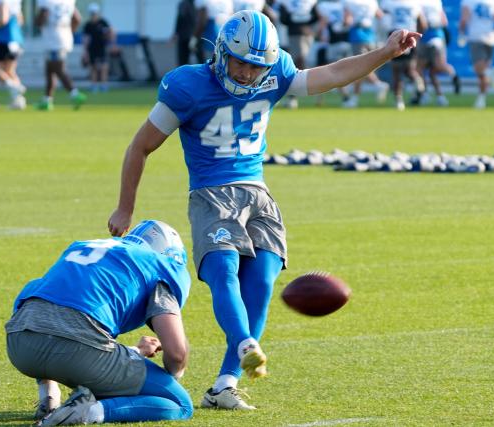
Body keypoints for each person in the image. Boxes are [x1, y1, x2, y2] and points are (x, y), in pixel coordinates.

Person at [107, 10, 420, 410]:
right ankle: (244, 343)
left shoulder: (275, 71)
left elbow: (332, 74)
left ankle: (225, 384)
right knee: (222, 270)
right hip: (212, 191)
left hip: (258, 191)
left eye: (256, 66)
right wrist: (124, 208)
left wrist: (384, 53)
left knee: (264, 277)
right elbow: (141, 146)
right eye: (239, 62)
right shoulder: (187, 85)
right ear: (221, 53)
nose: (246, 73)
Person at [5, 220, 193, 425]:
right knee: (180, 403)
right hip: (76, 352)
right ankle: (86, 412)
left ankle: (49, 399)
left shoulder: (84, 247)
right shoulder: (158, 264)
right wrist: (173, 375)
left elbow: (31, 300)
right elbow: (176, 353)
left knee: (51, 309)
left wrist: (135, 352)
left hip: (19, 345)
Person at [35, 0, 86, 111]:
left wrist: (37, 22)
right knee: (50, 69)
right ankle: (47, 100)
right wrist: (68, 31)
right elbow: (77, 19)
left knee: (58, 68)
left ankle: (75, 94)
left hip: (53, 39)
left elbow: (43, 16)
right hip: (63, 37)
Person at [459, 0, 494, 109]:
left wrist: (461, 33)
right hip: (491, 39)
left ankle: (489, 73)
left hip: (476, 38)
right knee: (482, 74)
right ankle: (481, 99)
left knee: (480, 71)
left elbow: (464, 20)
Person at [381, 0, 426, 111]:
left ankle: (398, 100)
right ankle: (417, 81)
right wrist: (417, 36)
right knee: (409, 68)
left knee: (396, 71)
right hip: (410, 34)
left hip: (395, 35)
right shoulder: (414, 4)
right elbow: (423, 24)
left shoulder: (388, 3)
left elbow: (383, 20)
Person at [343, 0, 388, 108]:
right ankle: (355, 98)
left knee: (360, 67)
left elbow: (347, 20)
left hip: (357, 36)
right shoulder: (372, 2)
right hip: (371, 36)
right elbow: (380, 16)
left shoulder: (349, 2)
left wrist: (345, 24)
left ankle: (378, 84)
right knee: (360, 69)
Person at [276, 0, 319, 109]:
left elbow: (284, 18)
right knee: (299, 63)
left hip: (298, 34)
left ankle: (293, 98)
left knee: (299, 64)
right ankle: (293, 97)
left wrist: (296, 19)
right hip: (300, 34)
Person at [416, 0, 459, 107]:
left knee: (420, 68)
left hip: (425, 35)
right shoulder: (436, 2)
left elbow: (421, 22)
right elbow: (444, 21)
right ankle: (440, 96)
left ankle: (424, 94)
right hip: (438, 35)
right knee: (432, 71)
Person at [0, 0, 26, 109]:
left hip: (4, 39)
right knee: (10, 71)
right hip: (16, 39)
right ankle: (19, 101)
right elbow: (20, 20)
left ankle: (14, 87)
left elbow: (3, 19)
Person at [82, 3, 114, 93]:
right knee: (93, 67)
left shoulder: (103, 22)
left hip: (102, 48)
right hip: (92, 49)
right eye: (92, 13)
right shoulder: (88, 25)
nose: (93, 15)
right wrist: (85, 52)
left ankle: (104, 85)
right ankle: (94, 85)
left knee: (104, 67)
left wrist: (112, 44)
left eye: (94, 13)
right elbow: (86, 39)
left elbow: (111, 32)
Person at [173, 0, 196, 66]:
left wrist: (176, 32)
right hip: (191, 36)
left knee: (183, 59)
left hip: (185, 36)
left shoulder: (183, 4)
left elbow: (179, 19)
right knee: (188, 58)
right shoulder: (196, 4)